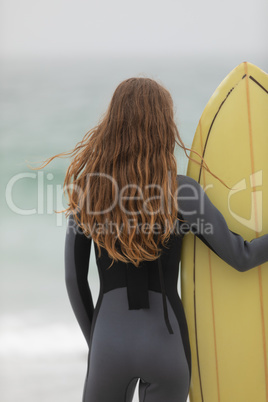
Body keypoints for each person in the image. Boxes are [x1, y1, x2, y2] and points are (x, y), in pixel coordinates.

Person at [32, 77, 268, 402]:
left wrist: (98, 342)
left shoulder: (90, 191)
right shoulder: (182, 192)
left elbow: (75, 280)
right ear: (164, 126)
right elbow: (242, 257)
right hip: (166, 348)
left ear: (112, 124)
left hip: (109, 345)